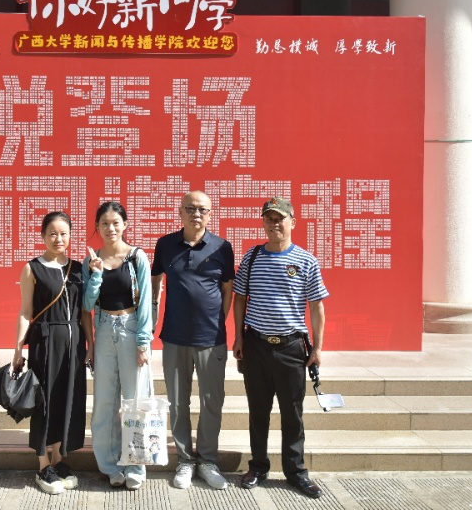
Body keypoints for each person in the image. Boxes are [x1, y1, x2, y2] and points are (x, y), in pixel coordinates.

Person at [232, 197, 328, 499]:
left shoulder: (306, 261)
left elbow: (316, 307)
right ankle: (258, 467)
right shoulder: (252, 258)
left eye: (280, 218)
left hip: (291, 348)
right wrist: (239, 338)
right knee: (258, 411)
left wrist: (318, 348)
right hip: (257, 346)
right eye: (269, 218)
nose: (274, 223)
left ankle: (296, 472)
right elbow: (239, 299)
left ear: (292, 223)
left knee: (292, 414)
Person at [151, 191, 235, 490]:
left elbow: (228, 290)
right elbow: (155, 283)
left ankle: (208, 460)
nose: (196, 214)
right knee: (178, 401)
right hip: (175, 336)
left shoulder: (222, 247)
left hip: (211, 338)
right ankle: (185, 460)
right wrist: (150, 320)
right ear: (180, 212)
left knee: (212, 400)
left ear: (210, 214)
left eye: (202, 210)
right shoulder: (165, 245)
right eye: (190, 208)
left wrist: (217, 322)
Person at [12, 211, 93, 495]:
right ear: (43, 236)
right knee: (45, 402)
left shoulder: (79, 268)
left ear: (70, 236)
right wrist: (17, 348)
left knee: (68, 399)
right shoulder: (32, 268)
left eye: (64, 233)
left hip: (74, 344)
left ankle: (59, 460)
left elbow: (85, 312)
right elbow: (26, 311)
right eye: (53, 233)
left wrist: (91, 345)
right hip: (45, 343)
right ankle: (42, 464)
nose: (59, 238)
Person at [82, 201, 153, 490]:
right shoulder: (91, 260)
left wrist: (143, 342)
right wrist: (96, 274)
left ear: (125, 225)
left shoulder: (137, 257)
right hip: (103, 331)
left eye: (115, 222)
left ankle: (135, 465)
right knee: (104, 403)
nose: (110, 228)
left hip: (131, 329)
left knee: (135, 401)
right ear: (97, 227)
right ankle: (110, 466)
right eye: (104, 223)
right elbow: (87, 304)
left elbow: (145, 301)